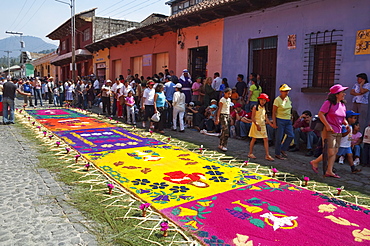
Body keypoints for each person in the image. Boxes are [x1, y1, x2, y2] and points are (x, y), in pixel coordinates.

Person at [309, 84, 349, 178]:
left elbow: (342, 118)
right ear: (336, 94)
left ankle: (329, 171)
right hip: (329, 130)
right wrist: (327, 125)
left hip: (339, 131)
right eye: (342, 92)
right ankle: (315, 162)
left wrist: (346, 124)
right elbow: (321, 114)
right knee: (330, 151)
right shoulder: (328, 103)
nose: (344, 94)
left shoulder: (342, 105)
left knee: (335, 152)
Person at [248, 93, 275, 161]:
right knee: (254, 139)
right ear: (259, 100)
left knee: (265, 139)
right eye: (261, 100)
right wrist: (257, 125)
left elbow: (265, 117)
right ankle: (250, 153)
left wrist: (270, 124)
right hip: (256, 125)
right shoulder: (255, 107)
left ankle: (267, 155)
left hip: (262, 125)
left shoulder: (264, 108)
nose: (263, 101)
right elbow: (253, 118)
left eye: (264, 100)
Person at [272, 84, 294, 160]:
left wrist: (291, 117)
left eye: (287, 91)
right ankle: (277, 153)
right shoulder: (277, 100)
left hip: (288, 120)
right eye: (285, 91)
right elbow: (274, 112)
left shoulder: (288, 98)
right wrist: (274, 122)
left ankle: (283, 149)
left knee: (291, 135)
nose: (286, 92)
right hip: (280, 119)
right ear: (281, 91)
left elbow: (290, 108)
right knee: (279, 137)